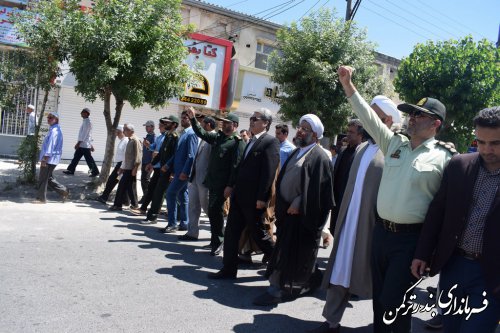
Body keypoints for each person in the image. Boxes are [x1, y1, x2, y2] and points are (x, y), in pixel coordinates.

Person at [337, 65, 453, 332]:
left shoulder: (445, 158)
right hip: (381, 234)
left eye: (419, 115)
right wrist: (348, 85)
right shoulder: (394, 144)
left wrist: (430, 251)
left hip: (411, 241)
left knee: (395, 300)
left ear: (436, 124)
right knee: (379, 299)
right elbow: (368, 118)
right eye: (411, 114)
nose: (411, 118)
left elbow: (444, 209)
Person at [312, 96, 401, 333]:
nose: (366, 121)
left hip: (374, 227)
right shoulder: (362, 148)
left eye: (373, 116)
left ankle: (383, 326)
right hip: (348, 222)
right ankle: (331, 322)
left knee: (377, 281)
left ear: (388, 120)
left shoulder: (395, 150)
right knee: (340, 270)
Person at [411, 106, 500, 333]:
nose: (486, 149)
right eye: (481, 142)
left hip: (491, 275)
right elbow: (437, 213)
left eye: (495, 143)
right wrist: (422, 253)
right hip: (454, 266)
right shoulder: (459, 165)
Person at [253, 114, 334, 305]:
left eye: (305, 129)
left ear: (315, 135)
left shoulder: (320, 157)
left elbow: (321, 191)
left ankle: (276, 291)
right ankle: (310, 281)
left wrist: (300, 201)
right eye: (300, 127)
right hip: (286, 214)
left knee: (288, 255)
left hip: (301, 216)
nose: (299, 131)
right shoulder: (297, 152)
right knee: (293, 255)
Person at [208, 107, 280, 279]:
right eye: (251, 118)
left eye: (256, 118)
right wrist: (232, 186)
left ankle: (280, 260)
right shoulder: (250, 141)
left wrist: (262, 198)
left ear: (266, 123)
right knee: (231, 232)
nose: (252, 121)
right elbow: (241, 167)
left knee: (259, 234)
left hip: (254, 199)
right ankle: (229, 269)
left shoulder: (270, 142)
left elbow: (268, 173)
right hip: (239, 197)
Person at [185, 107, 245, 253]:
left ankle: (219, 241)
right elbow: (202, 133)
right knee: (213, 213)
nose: (224, 125)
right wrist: (193, 119)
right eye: (223, 123)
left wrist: (230, 186)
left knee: (216, 212)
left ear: (235, 125)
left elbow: (236, 167)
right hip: (212, 182)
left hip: (223, 185)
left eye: (227, 123)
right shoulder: (219, 137)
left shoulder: (237, 142)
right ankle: (214, 241)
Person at [179, 115, 217, 241]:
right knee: (193, 206)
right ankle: (192, 233)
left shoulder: (214, 138)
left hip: (205, 180)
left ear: (209, 125)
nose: (200, 125)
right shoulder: (203, 138)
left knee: (208, 208)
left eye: (203, 123)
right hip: (195, 177)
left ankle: (217, 235)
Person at [160, 111, 198, 233]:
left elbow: (191, 156)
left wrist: (185, 172)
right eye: (182, 117)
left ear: (190, 119)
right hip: (178, 171)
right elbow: (177, 154)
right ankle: (184, 223)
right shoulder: (183, 133)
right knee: (182, 196)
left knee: (170, 193)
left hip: (183, 172)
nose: (183, 119)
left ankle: (172, 224)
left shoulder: (191, 134)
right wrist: (168, 164)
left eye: (186, 118)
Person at [142, 116, 179, 223]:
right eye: (164, 123)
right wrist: (152, 164)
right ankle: (152, 216)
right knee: (159, 193)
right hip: (162, 169)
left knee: (170, 195)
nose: (164, 124)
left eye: (167, 123)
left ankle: (178, 219)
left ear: (174, 125)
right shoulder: (167, 136)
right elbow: (161, 153)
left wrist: (171, 170)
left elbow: (175, 155)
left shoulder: (176, 137)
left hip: (168, 170)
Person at [330, 119, 364, 232]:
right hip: (336, 203)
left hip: (349, 205)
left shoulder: (362, 154)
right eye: (347, 131)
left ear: (360, 134)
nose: (348, 134)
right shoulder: (343, 151)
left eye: (351, 132)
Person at [131, 118, 168, 214]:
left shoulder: (166, 137)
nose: (159, 127)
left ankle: (156, 210)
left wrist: (151, 162)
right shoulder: (160, 137)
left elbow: (159, 153)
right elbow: (153, 148)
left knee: (160, 190)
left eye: (161, 125)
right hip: (155, 166)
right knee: (151, 187)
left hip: (163, 167)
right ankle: (144, 208)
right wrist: (148, 145)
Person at [34, 112, 69, 203]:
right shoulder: (54, 129)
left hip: (49, 158)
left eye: (51, 118)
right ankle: (64, 191)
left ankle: (41, 199)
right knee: (48, 178)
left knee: (43, 178)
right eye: (48, 117)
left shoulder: (54, 131)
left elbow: (50, 145)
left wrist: (45, 158)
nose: (48, 119)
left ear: (56, 120)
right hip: (51, 158)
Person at [109, 123, 142, 211]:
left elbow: (138, 156)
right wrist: (122, 167)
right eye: (123, 129)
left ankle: (118, 205)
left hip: (131, 168)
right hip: (127, 167)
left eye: (126, 129)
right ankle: (134, 204)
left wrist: (135, 168)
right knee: (130, 187)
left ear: (131, 131)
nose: (124, 131)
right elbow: (126, 156)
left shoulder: (135, 140)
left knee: (122, 186)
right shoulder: (129, 140)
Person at [96, 125, 129, 204]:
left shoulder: (126, 141)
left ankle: (104, 197)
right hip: (120, 164)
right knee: (118, 182)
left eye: (116, 131)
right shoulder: (122, 140)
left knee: (112, 180)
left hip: (122, 165)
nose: (114, 132)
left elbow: (126, 155)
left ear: (120, 131)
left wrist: (122, 167)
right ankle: (126, 201)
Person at [63, 108, 99, 177]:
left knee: (89, 159)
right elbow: (88, 135)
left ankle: (95, 172)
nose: (81, 113)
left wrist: (78, 143)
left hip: (84, 145)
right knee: (76, 157)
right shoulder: (86, 121)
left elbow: (84, 134)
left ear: (86, 113)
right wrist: (90, 145)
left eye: (82, 112)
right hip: (83, 144)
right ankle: (71, 170)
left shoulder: (87, 122)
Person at [139, 120, 156, 203]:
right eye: (146, 126)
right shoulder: (147, 136)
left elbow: (154, 151)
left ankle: (147, 197)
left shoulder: (154, 137)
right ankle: (146, 196)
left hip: (148, 163)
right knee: (143, 180)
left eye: (148, 126)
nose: (146, 128)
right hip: (144, 161)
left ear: (152, 127)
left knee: (145, 180)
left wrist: (151, 163)